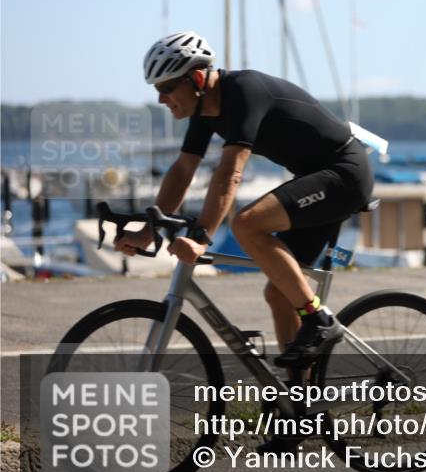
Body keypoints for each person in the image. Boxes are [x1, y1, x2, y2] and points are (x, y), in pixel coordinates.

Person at [115, 30, 373, 370]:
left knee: (247, 224)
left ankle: (319, 320)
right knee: (279, 294)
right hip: (316, 179)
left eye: (165, 87)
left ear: (195, 78)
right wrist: (149, 230)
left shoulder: (243, 92)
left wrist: (202, 237)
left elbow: (230, 174)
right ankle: (300, 406)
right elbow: (182, 170)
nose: (161, 98)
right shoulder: (204, 111)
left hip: (344, 174)